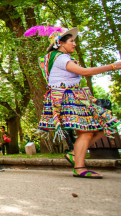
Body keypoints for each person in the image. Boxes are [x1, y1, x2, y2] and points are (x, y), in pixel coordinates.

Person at [25, 26, 121, 179]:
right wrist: (114, 66)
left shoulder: (59, 57)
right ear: (61, 43)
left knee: (103, 124)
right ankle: (79, 167)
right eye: (71, 41)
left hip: (74, 96)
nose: (74, 44)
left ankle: (75, 154)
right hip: (68, 97)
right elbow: (84, 72)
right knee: (88, 131)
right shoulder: (60, 57)